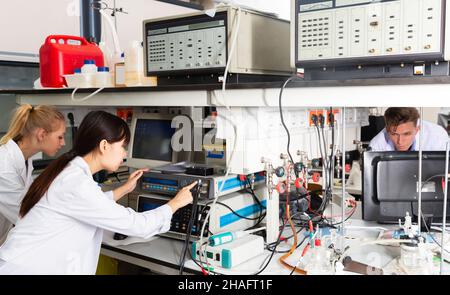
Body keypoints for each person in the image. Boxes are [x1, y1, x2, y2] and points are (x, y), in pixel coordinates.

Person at [0, 111, 195, 274]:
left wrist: (123, 189)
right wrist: (175, 204)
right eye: (123, 146)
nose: (125, 153)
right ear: (104, 146)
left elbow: (88, 206)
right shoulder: (76, 183)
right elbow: (138, 225)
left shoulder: (68, 171)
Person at [0, 104, 66, 245]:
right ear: (42, 134)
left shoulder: (25, 159)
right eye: (60, 137)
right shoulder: (4, 167)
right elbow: (26, 215)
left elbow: (31, 199)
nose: (63, 142)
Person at [369, 107, 449, 151]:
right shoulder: (376, 146)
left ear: (417, 129)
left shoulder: (438, 137)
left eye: (406, 134)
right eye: (394, 134)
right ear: (387, 130)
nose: (400, 141)